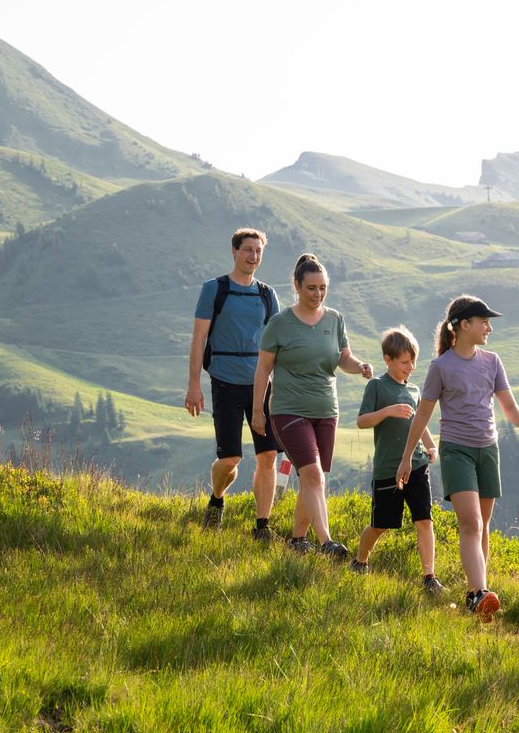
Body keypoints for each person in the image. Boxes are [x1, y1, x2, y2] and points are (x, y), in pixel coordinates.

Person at [396, 294, 519, 621]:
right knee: (471, 523)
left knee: (482, 525)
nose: (489, 327)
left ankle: (481, 593)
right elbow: (422, 416)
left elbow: (508, 404)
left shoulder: (492, 361)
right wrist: (406, 458)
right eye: (483, 321)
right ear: (463, 325)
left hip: (488, 449)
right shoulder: (441, 367)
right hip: (456, 449)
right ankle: (477, 593)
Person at [251, 253, 373, 558]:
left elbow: (343, 357)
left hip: (326, 410)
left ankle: (297, 540)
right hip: (288, 409)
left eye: (323, 288)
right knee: (314, 475)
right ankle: (326, 542)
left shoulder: (335, 319)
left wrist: (359, 367)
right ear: (296, 285)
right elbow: (263, 369)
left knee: (311, 477)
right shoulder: (279, 324)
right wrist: (257, 411)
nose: (318, 294)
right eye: (311, 288)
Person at [185, 228, 283, 541]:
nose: (253, 256)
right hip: (224, 381)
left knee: (268, 456)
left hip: (261, 384)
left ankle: (262, 526)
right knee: (230, 459)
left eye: (258, 251)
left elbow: (277, 344)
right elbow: (199, 338)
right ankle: (216, 498)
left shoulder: (267, 295)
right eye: (248, 250)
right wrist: (194, 385)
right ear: (235, 251)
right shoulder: (215, 289)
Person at [352, 326, 445, 594]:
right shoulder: (376, 386)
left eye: (413, 361)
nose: (411, 367)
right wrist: (388, 411)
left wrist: (430, 446)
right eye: (404, 362)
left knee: (424, 520)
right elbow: (361, 421)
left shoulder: (415, 390)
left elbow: (420, 421)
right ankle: (361, 561)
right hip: (387, 469)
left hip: (416, 465)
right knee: (381, 524)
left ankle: (429, 577)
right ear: (388, 360)